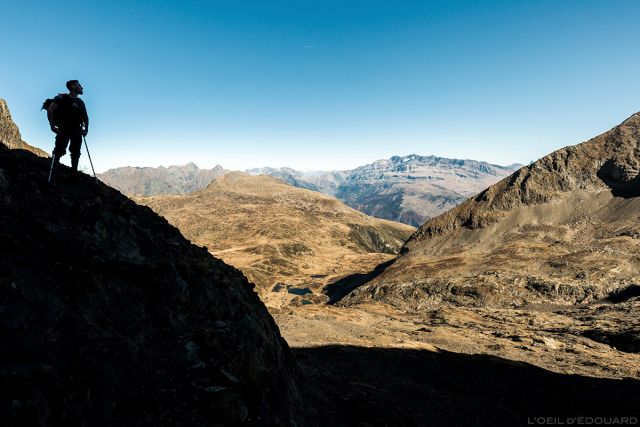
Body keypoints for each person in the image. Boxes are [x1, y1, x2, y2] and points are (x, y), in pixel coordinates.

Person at [47, 80, 89, 172]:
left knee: (71, 151)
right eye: (79, 85)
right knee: (68, 151)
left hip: (70, 129)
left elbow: (85, 117)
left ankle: (56, 172)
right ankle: (64, 173)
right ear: (73, 86)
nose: (81, 87)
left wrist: (86, 129)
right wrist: (52, 125)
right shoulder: (62, 98)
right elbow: (50, 110)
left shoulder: (80, 102)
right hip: (67, 128)